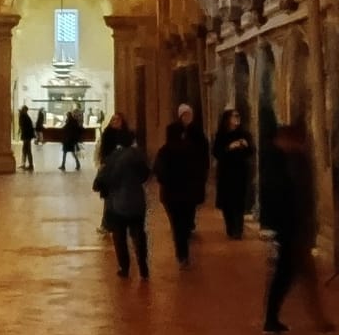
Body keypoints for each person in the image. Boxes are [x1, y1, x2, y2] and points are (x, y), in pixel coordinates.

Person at [261, 121, 333, 335]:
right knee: (290, 274)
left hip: (294, 226)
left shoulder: (290, 160)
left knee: (296, 274)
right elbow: (290, 195)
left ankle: (315, 319)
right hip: (292, 227)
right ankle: (312, 319)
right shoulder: (286, 161)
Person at [153, 106, 210, 266]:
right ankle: (184, 250)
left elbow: (158, 171)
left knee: (177, 225)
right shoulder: (192, 150)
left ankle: (182, 253)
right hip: (188, 193)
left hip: (171, 195)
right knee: (185, 222)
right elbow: (200, 168)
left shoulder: (164, 151)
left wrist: (168, 182)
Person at [93, 134, 151, 280]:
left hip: (117, 203)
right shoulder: (139, 157)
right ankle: (143, 266)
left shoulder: (112, 158)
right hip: (137, 201)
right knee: (138, 233)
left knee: (119, 236)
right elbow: (145, 175)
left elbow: (99, 182)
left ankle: (124, 267)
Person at [212, 108, 254, 239]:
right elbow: (216, 152)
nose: (237, 119)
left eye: (238, 116)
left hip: (240, 173)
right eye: (234, 116)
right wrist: (229, 147)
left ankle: (239, 230)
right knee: (227, 203)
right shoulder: (221, 135)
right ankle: (230, 228)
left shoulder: (244, 134)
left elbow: (251, 151)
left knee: (239, 202)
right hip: (226, 173)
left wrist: (246, 145)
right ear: (227, 119)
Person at [94, 111, 133, 234]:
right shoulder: (107, 135)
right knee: (109, 199)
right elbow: (101, 152)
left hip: (124, 172)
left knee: (123, 198)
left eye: (117, 120)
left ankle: (123, 224)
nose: (115, 122)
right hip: (110, 171)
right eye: (113, 120)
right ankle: (106, 224)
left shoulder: (128, 135)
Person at [18, 104, 37, 170]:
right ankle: (24, 164)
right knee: (25, 150)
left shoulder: (23, 116)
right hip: (27, 136)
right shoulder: (26, 116)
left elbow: (22, 126)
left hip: (26, 136)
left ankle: (30, 165)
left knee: (27, 150)